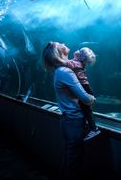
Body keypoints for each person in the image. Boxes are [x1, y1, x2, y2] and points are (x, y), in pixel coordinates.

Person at [42, 42, 96, 180]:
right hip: (74, 122)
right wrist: (92, 99)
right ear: (58, 52)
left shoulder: (61, 70)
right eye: (59, 44)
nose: (63, 43)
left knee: (70, 158)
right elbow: (85, 98)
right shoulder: (66, 72)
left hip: (68, 121)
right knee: (74, 162)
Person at [64, 47, 101, 141]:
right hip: (86, 87)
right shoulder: (78, 63)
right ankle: (92, 127)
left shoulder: (76, 63)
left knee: (86, 109)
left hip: (84, 87)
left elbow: (67, 63)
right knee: (86, 109)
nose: (86, 65)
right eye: (87, 62)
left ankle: (94, 128)